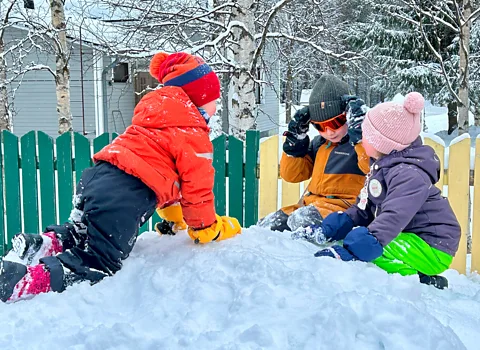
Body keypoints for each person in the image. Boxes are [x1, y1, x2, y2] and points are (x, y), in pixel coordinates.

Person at [0, 51, 242, 303]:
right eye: (213, 99)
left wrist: (175, 220)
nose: (216, 106)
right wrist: (205, 227)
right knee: (98, 260)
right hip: (123, 196)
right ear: (196, 100)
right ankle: (23, 281)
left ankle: (41, 244)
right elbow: (197, 188)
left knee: (83, 230)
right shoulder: (192, 132)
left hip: (97, 177)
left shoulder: (155, 119)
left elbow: (166, 182)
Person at [297, 92, 461, 289]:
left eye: (366, 136)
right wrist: (334, 227)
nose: (360, 140)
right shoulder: (382, 167)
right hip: (407, 235)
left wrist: (355, 249)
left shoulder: (409, 175)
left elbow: (393, 217)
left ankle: (423, 280)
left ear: (382, 143)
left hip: (433, 245)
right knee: (363, 242)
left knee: (374, 250)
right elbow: (364, 208)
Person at [258, 74, 370, 232]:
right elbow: (292, 175)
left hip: (343, 212)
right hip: (309, 206)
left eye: (336, 123)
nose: (330, 132)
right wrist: (295, 144)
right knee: (266, 226)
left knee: (301, 220)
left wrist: (361, 135)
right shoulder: (319, 144)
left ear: (349, 117)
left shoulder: (360, 146)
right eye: (321, 126)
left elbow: (372, 167)